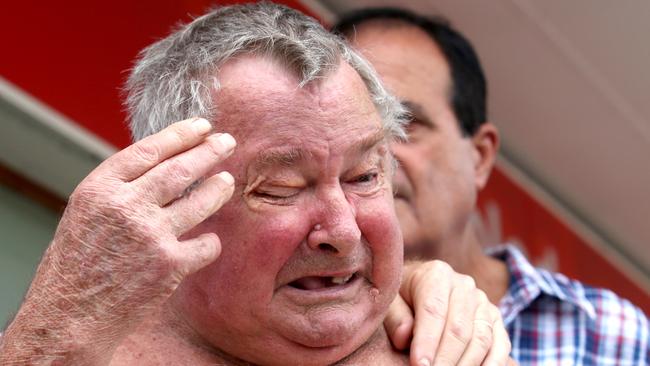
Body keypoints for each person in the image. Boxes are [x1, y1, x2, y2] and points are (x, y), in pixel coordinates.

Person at [0, 3, 514, 365]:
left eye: (365, 177)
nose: (343, 231)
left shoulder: (451, 343)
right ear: (170, 194)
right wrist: (56, 331)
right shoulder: (81, 347)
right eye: (280, 188)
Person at [333, 7, 649, 365]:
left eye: (405, 122)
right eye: (356, 127)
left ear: (480, 157)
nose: (378, 156)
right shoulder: (295, 323)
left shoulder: (608, 332)